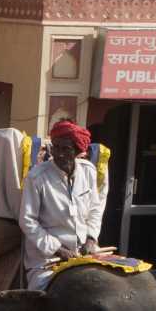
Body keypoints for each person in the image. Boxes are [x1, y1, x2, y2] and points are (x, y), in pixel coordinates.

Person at [19, 120, 108, 290]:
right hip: (47, 260)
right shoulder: (37, 177)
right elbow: (27, 221)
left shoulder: (88, 171)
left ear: (77, 151)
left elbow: (95, 209)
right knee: (42, 295)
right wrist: (57, 249)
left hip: (83, 253)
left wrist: (91, 238)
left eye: (65, 149)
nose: (59, 154)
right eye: (56, 148)